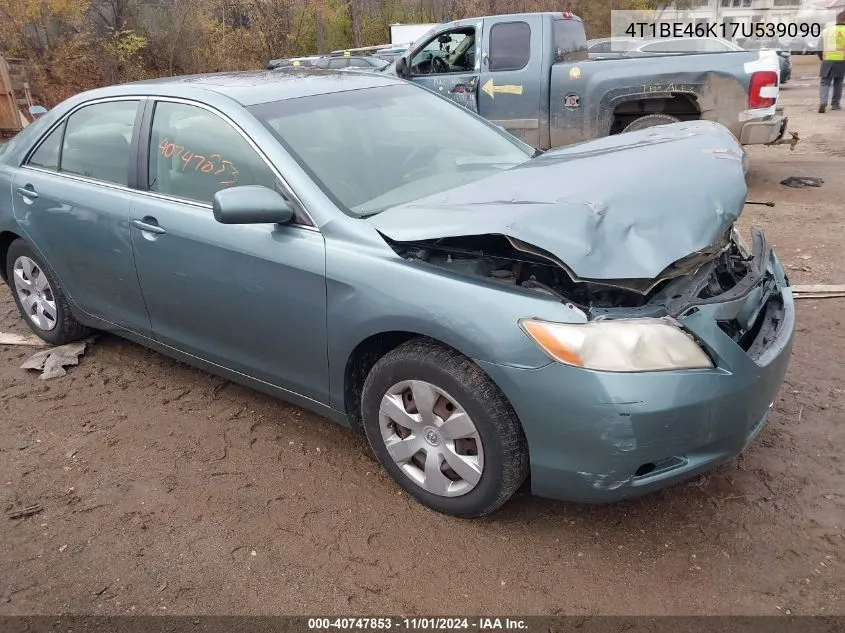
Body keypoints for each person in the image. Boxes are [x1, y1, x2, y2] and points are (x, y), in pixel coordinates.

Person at [817, 11, 845, 113]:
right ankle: (835, 104)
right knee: (838, 83)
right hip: (842, 61)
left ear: (837, 19)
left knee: (825, 82)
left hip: (827, 60)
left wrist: (822, 58)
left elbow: (819, 48)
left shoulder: (827, 31)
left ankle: (823, 101)